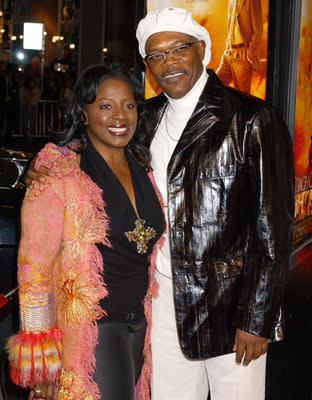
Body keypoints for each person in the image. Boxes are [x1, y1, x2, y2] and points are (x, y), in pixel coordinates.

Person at [26, 7, 294, 400]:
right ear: (147, 65)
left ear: (201, 48)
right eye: (155, 55)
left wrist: (258, 318)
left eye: (178, 49)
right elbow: (94, 141)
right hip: (161, 304)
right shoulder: (144, 118)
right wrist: (48, 162)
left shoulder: (252, 119)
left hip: (230, 305)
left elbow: (274, 228)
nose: (168, 62)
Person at [6, 63, 165, 400]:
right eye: (105, 106)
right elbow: (33, 271)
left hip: (139, 324)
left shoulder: (142, 166)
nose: (119, 116)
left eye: (129, 105)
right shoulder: (58, 173)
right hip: (92, 331)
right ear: (84, 111)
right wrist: (42, 365)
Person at [216, 0, 263, 93]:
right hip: (229, 53)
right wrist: (227, 46)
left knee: (241, 100)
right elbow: (230, 23)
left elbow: (258, 30)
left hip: (242, 55)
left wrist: (250, 51)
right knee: (212, 86)